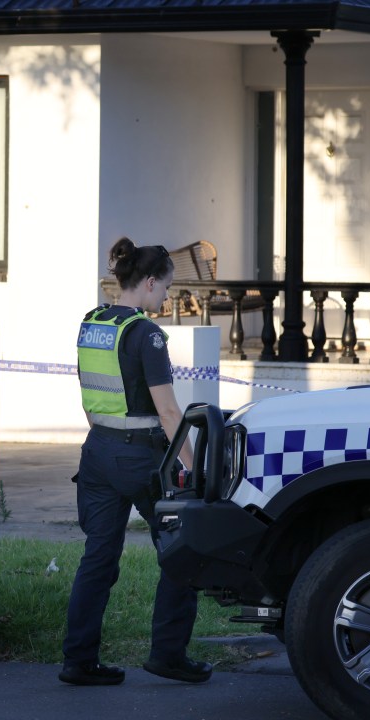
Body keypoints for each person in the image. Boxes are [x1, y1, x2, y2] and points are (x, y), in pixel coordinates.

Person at [59, 236, 212, 687]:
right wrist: (191, 466)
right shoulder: (146, 334)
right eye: (165, 289)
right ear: (147, 283)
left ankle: (79, 661)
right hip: (142, 457)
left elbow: (91, 399)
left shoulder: (93, 324)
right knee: (182, 552)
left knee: (99, 558)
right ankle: (168, 655)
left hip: (98, 452)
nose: (167, 299)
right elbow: (169, 412)